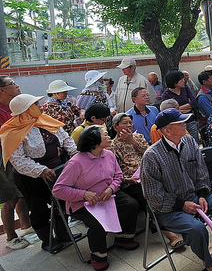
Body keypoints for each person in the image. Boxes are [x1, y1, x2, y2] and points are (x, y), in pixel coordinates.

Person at [141, 108, 212, 271]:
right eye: (180, 123)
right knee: (197, 229)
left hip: (196, 196)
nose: (185, 125)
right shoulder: (151, 156)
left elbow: (201, 171)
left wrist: (202, 194)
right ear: (167, 130)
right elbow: (153, 196)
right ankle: (208, 264)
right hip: (169, 209)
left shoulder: (188, 141)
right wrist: (182, 205)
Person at [52, 125, 139, 270]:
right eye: (105, 134)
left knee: (131, 204)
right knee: (97, 224)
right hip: (83, 202)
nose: (109, 137)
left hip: (106, 196)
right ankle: (98, 255)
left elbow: (118, 176)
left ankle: (123, 238)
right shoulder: (76, 162)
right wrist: (83, 194)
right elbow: (58, 190)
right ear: (94, 141)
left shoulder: (108, 154)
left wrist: (111, 188)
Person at [1, 94, 78, 252]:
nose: (41, 106)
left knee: (62, 203)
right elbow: (18, 160)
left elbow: (65, 138)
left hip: (57, 171)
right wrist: (41, 170)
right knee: (39, 209)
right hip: (30, 177)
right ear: (26, 110)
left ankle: (64, 235)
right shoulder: (12, 131)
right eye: (36, 104)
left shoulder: (45, 121)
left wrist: (76, 154)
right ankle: (47, 241)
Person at [108, 112, 184, 248]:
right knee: (149, 197)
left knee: (172, 183)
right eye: (124, 123)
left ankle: (179, 218)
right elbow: (115, 172)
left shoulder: (138, 137)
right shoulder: (113, 146)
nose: (129, 125)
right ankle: (169, 233)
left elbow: (152, 154)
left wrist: (133, 141)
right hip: (132, 181)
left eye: (130, 123)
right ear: (115, 127)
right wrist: (128, 179)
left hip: (150, 173)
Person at [0, 76, 32, 250]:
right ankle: (11, 237)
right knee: (10, 197)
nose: (17, 86)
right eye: (12, 84)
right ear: (2, 90)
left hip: (19, 151)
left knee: (22, 191)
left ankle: (26, 227)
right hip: (4, 156)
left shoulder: (15, 107)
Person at [161, 69, 200, 144]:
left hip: (190, 120)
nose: (184, 81)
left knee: (195, 142)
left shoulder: (185, 88)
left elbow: (194, 102)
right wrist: (188, 106)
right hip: (177, 123)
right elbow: (168, 111)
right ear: (174, 82)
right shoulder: (166, 95)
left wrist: (177, 109)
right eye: (181, 79)